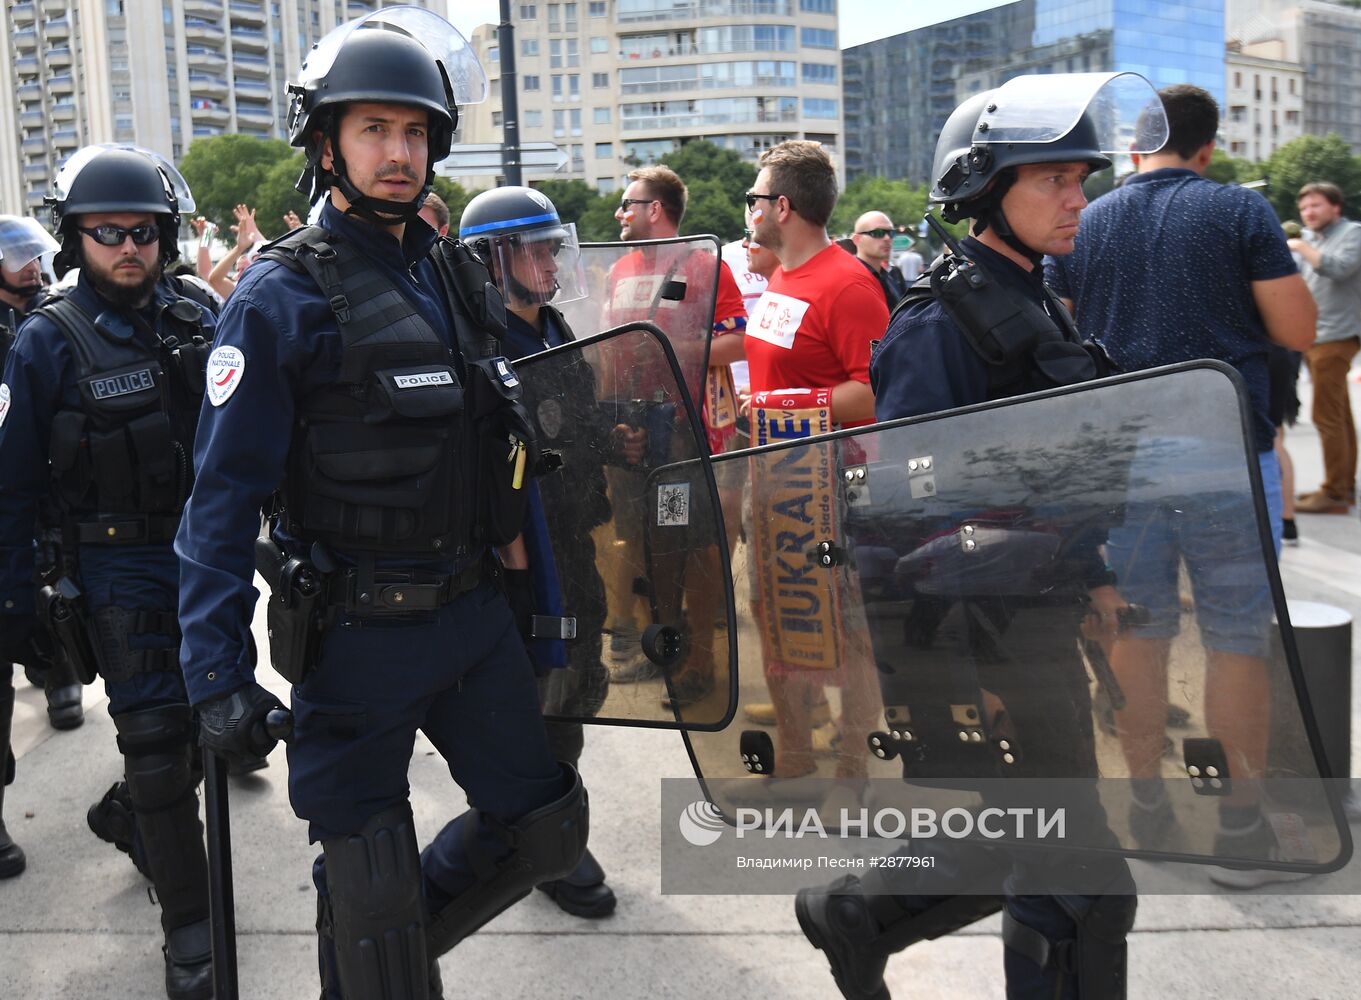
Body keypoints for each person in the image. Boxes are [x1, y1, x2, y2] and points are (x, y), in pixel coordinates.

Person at [173, 12, 586, 999]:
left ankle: (381, 950)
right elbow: (220, 500)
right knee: (368, 885)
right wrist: (214, 670)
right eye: (373, 131)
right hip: (356, 632)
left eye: (414, 133)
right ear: (325, 144)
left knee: (545, 829)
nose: (398, 154)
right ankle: (375, 953)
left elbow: (502, 440)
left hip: (474, 617)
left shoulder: (449, 270)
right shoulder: (278, 295)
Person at [798, 74, 1161, 1000]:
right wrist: (965, 680)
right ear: (982, 188)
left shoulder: (1034, 299)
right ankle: (859, 912)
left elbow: (1055, 472)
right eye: (1051, 180)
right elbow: (908, 511)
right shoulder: (937, 324)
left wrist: (1095, 576)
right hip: (985, 634)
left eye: (1081, 178)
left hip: (1033, 614)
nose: (1077, 198)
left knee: (1029, 843)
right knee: (1075, 881)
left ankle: (857, 913)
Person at [1045, 83, 1316, 888]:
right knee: (1236, 634)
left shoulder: (1082, 221)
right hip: (1221, 446)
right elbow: (1297, 329)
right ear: (1207, 146)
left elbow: (1062, 332)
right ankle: (1239, 831)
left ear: (1134, 145)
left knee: (1136, 625)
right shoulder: (1236, 211)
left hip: (1118, 455)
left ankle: (1144, 809)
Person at [0, 144, 220, 998]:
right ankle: (191, 931)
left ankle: (127, 815)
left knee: (212, 720)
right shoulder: (46, 341)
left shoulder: (200, 314)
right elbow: (11, 484)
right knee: (159, 743)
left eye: (143, 231)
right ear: (74, 239)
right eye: (107, 232)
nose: (128, 247)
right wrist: (15, 597)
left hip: (204, 556)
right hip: (113, 562)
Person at [457, 185, 616, 918]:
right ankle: (541, 845)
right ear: (493, 260)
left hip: (573, 545)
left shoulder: (553, 331)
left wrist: (625, 434)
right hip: (523, 564)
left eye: (555, 246)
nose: (552, 260)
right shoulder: (475, 346)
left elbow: (576, 426)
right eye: (536, 247)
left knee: (576, 691)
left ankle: (551, 832)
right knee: (532, 706)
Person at [741, 139, 887, 777]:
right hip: (774, 472)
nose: (748, 211)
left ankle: (855, 763)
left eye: (753, 199)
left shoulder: (849, 282)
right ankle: (796, 756)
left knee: (846, 625)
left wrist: (791, 404)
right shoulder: (782, 275)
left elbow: (874, 388)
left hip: (833, 481)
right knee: (773, 608)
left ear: (781, 206)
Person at [600, 164, 746, 703]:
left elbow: (739, 344)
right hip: (628, 427)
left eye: (626, 204)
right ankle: (654, 648)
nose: (619, 213)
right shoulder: (616, 271)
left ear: (654, 210)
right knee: (639, 543)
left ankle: (701, 661)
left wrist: (670, 346)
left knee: (696, 546)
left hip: (684, 430)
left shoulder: (706, 266)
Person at [0, 216, 86, 733]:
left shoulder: (54, 319)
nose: (30, 268)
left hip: (48, 472)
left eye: (33, 257)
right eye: (17, 259)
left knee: (55, 577)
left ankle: (61, 673)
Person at [1288, 181, 1361, 514]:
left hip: (1336, 337)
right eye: (1304, 208)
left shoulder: (1352, 233)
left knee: (1327, 417)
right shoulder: (1318, 238)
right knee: (1340, 417)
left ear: (1336, 206)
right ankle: (1342, 488)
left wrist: (1302, 249)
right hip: (1319, 337)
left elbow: (1338, 268)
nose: (1308, 213)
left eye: (1315, 205)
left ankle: (1333, 493)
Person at [849, 210, 908, 310]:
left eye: (891, 233)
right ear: (857, 239)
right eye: (877, 233)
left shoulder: (890, 275)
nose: (887, 238)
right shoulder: (850, 277)